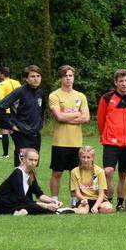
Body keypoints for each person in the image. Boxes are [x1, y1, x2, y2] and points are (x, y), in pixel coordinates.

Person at [96, 69, 126, 210]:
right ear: (116, 82)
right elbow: (100, 119)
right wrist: (105, 135)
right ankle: (108, 200)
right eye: (121, 81)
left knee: (124, 175)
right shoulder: (107, 98)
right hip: (111, 141)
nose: (124, 84)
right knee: (108, 171)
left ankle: (120, 203)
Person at [47, 64, 89, 198]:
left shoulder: (80, 96)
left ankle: (74, 202)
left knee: (75, 174)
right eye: (65, 76)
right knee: (57, 173)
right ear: (61, 78)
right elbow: (59, 116)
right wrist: (77, 114)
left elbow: (86, 117)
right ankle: (54, 201)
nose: (68, 78)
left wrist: (66, 118)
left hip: (76, 143)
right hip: (60, 142)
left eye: (71, 76)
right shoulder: (54, 95)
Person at [0, 64, 45, 167]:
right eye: (32, 76)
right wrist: (11, 125)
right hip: (22, 136)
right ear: (26, 79)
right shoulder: (20, 91)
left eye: (38, 76)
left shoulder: (40, 92)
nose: (36, 79)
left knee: (33, 167)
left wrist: (39, 125)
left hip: (35, 135)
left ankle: (31, 184)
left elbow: (41, 111)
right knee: (22, 168)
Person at [0, 148, 67, 215]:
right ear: (24, 159)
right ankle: (17, 212)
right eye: (30, 159)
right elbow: (22, 198)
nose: (33, 162)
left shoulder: (31, 174)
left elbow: (39, 194)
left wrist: (54, 201)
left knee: (39, 207)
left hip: (17, 202)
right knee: (35, 207)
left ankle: (19, 212)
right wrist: (45, 205)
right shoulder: (18, 172)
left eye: (35, 160)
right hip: (0, 205)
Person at [70, 145, 114, 214]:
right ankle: (69, 210)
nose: (85, 160)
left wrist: (96, 206)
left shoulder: (99, 171)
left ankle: (93, 210)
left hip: (98, 199)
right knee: (82, 212)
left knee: (108, 209)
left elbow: (101, 194)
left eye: (88, 157)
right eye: (83, 157)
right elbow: (77, 193)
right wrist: (83, 199)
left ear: (92, 158)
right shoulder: (74, 171)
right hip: (84, 199)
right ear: (80, 158)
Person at [0, 65, 19, 158]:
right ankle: (19, 149)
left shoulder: (2, 84)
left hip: (6, 110)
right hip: (16, 111)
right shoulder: (17, 82)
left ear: (2, 74)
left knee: (5, 131)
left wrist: (0, 112)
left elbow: (1, 100)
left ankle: (5, 154)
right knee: (13, 131)